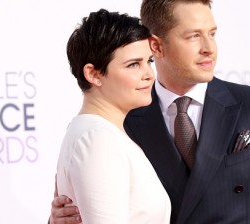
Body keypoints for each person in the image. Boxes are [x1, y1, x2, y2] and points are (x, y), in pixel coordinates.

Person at [50, 0, 250, 223]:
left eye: (212, 33)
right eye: (193, 36)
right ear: (156, 45)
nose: (208, 48)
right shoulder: (121, 119)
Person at [54, 8, 171, 223]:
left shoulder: (100, 133)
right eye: (134, 64)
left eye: (149, 61)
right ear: (94, 74)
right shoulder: (98, 139)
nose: (149, 75)